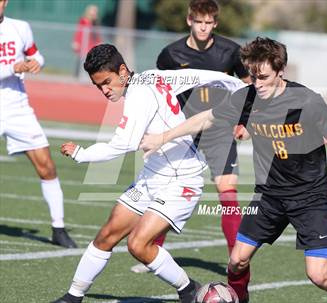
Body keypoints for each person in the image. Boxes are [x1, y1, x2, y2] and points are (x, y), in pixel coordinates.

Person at [140, 37, 327, 303]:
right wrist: (162, 137)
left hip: (309, 198)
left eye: (263, 77)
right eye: (253, 75)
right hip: (269, 196)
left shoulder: (306, 101)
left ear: (281, 70)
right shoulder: (246, 97)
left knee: (318, 275)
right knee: (236, 261)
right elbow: (206, 118)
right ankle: (239, 299)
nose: (256, 83)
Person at [52, 44, 246, 303]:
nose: (104, 90)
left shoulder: (138, 95)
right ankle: (73, 296)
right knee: (108, 234)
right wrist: (236, 85)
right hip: (151, 175)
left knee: (138, 244)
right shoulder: (152, 75)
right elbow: (199, 76)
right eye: (98, 86)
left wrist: (81, 153)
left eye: (107, 82)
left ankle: (189, 290)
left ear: (122, 71)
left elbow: (124, 144)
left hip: (181, 180)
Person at [131, 0, 251, 274]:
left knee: (228, 193)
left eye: (209, 23)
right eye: (199, 22)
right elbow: (159, 90)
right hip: (183, 130)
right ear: (189, 21)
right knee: (166, 189)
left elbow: (248, 88)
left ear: (215, 23)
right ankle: (153, 252)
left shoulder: (231, 52)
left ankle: (237, 261)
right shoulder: (170, 54)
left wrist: (245, 121)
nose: (204, 28)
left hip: (220, 129)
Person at [0, 0, 76, 248]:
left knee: (47, 166)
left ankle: (58, 228)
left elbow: (36, 55)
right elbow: (12, 66)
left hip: (17, 108)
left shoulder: (20, 27)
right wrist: (14, 66)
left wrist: (36, 63)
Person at [72, 4, 102, 77]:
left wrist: (99, 43)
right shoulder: (83, 21)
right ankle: (79, 76)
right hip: (84, 46)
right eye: (92, 12)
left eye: (95, 12)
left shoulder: (95, 23)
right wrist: (76, 42)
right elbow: (79, 32)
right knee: (82, 62)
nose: (94, 14)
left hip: (92, 46)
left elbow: (97, 35)